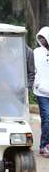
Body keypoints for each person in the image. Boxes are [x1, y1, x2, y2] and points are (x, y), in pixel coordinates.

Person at [33, 27, 49, 157]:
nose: (42, 40)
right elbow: (34, 69)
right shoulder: (36, 52)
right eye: (40, 38)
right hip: (42, 92)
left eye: (44, 38)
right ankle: (44, 145)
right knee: (47, 118)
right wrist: (37, 84)